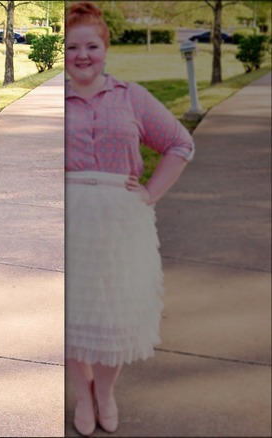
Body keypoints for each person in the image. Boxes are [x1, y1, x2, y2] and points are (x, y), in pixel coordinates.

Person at [63, 2, 195, 436]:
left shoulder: (131, 96)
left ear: (105, 47)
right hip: (69, 220)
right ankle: (83, 396)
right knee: (72, 314)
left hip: (122, 223)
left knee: (113, 315)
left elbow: (179, 143)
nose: (82, 55)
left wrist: (151, 193)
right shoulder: (54, 103)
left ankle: (105, 393)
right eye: (72, 46)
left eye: (91, 45)